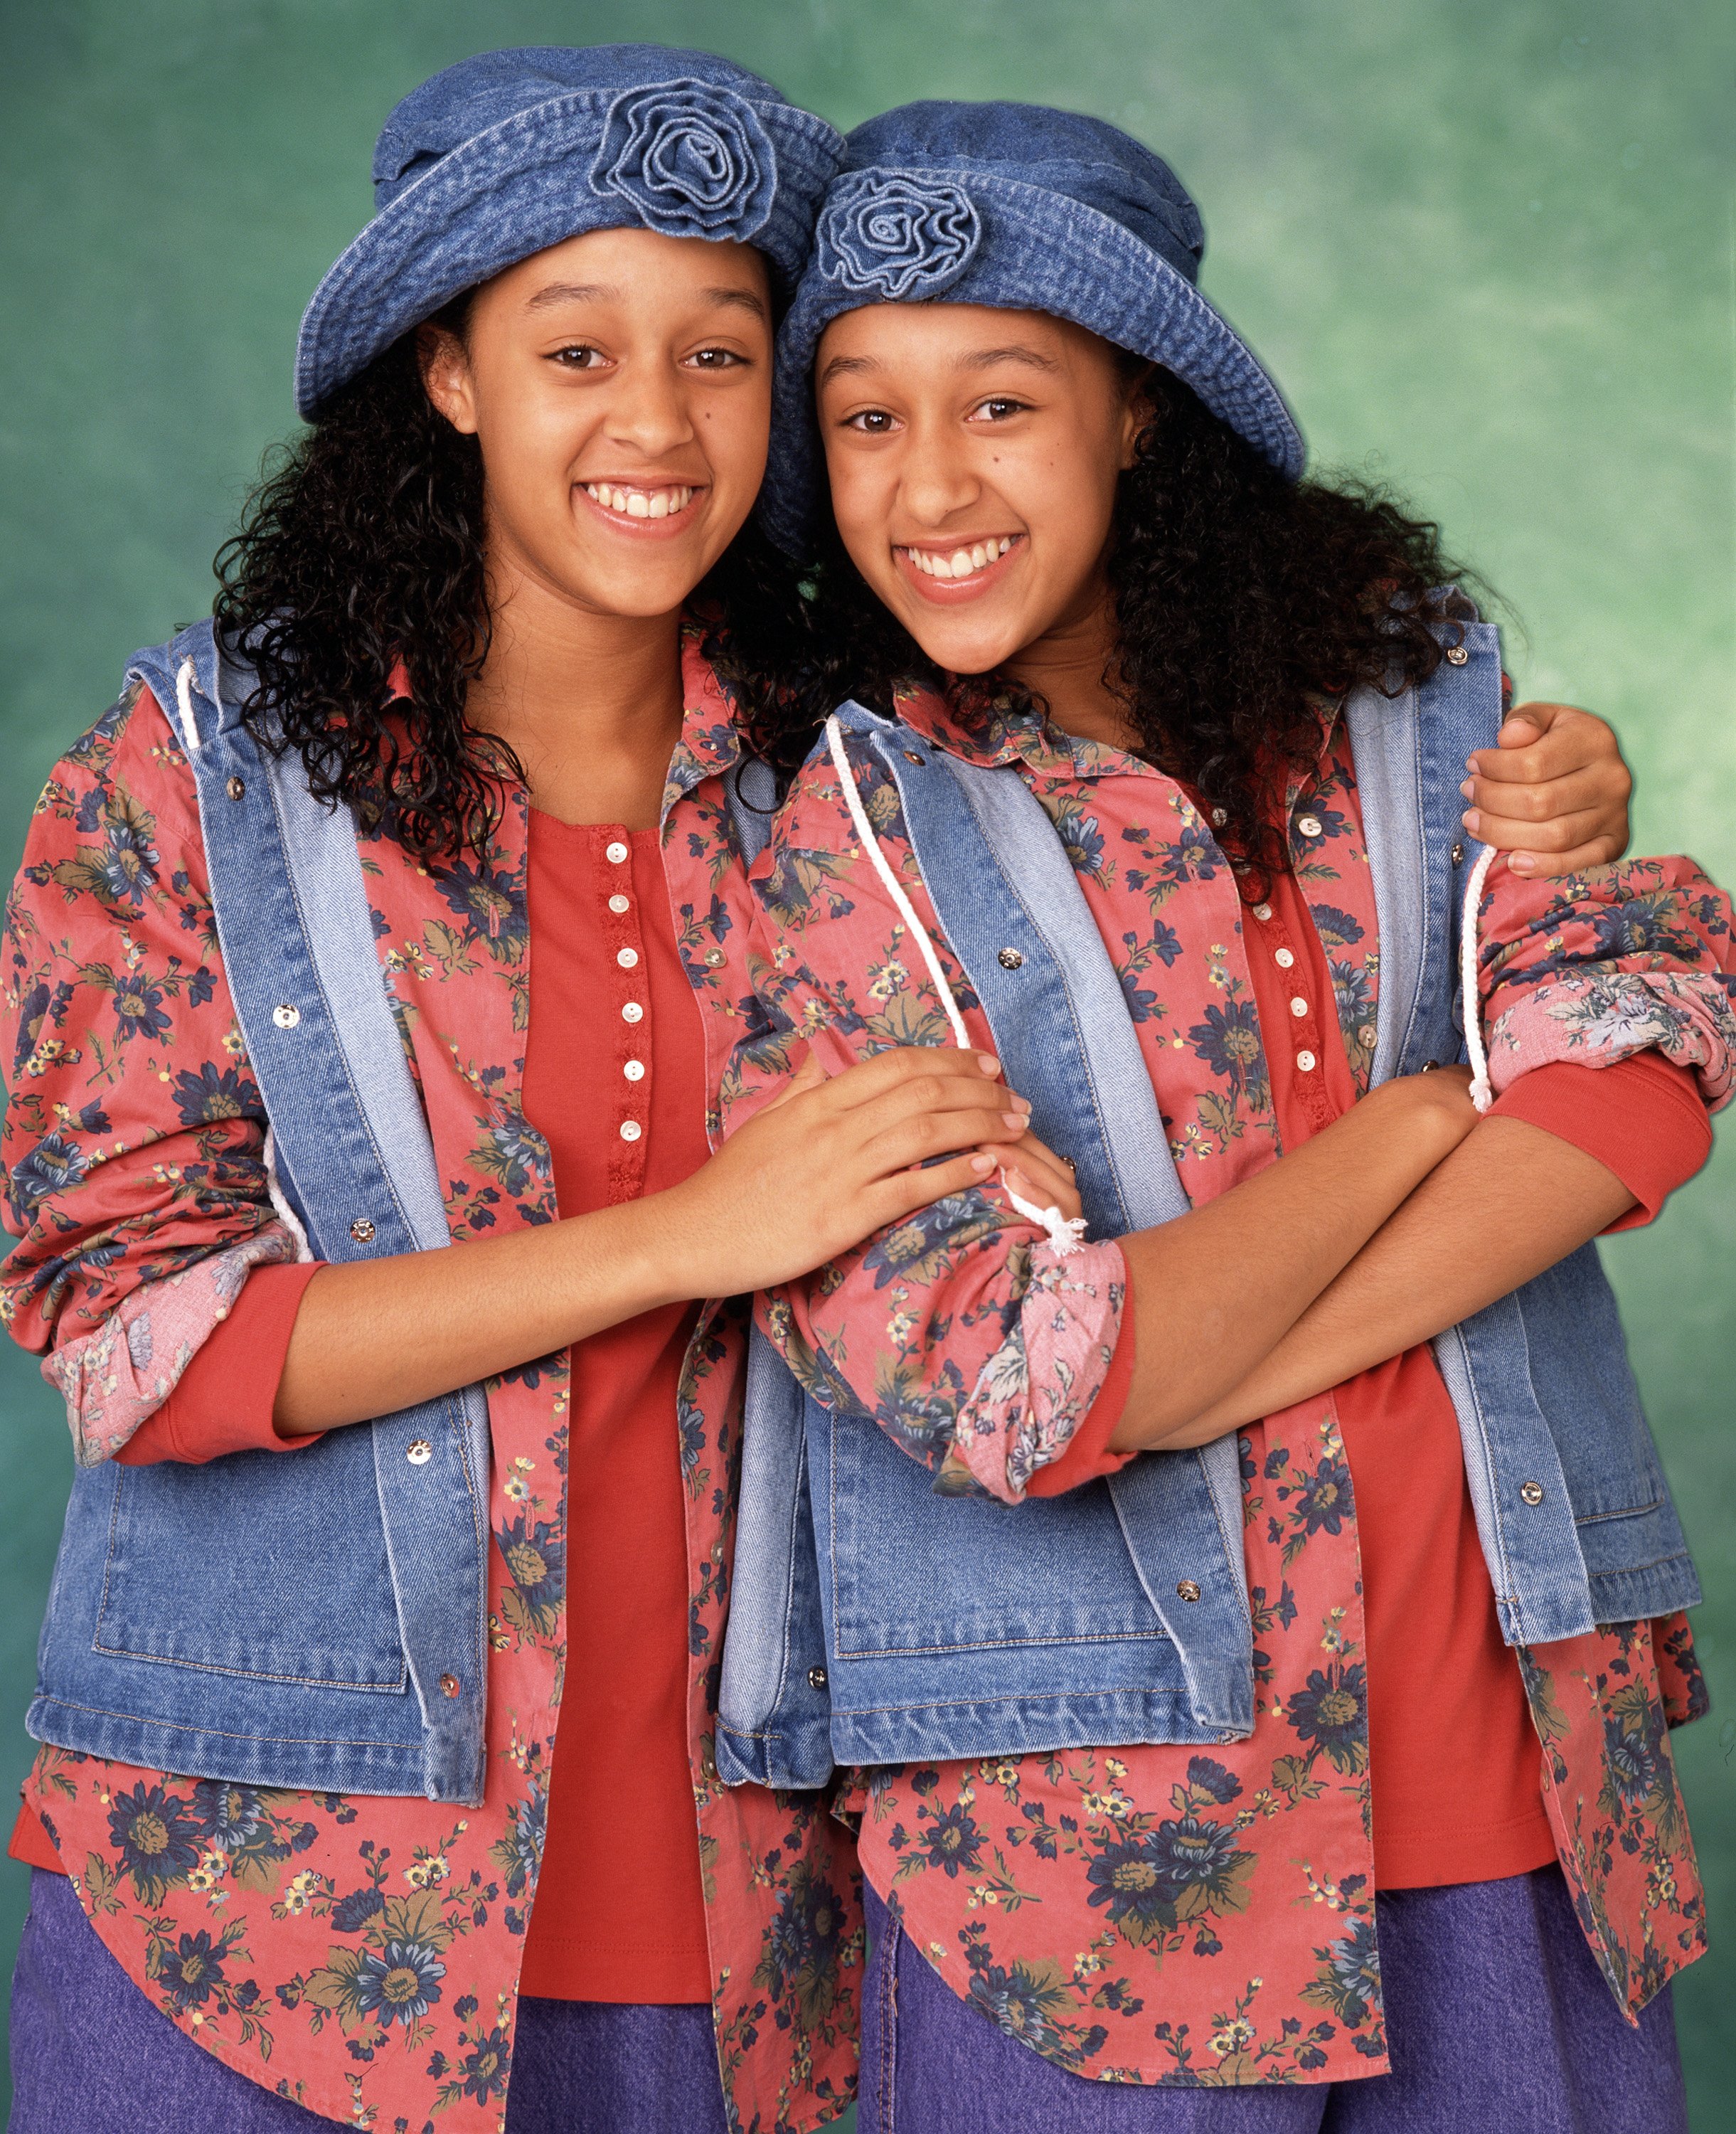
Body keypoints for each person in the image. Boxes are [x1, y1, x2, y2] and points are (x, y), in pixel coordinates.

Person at [0, 51, 1074, 2134]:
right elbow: (133, 1343)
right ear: (450, 372)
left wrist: (1530, 801)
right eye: (575, 348)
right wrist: (692, 1237)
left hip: (756, 1904)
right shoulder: (191, 783)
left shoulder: (880, 785)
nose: (656, 424)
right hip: (267, 1897)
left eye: (721, 353)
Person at [723, 100, 1731, 2130]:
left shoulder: (1416, 697)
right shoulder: (816, 830)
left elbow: (1638, 1069)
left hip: (1515, 1753)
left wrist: (1201, 1344)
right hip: (1085, 1828)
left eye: (1000, 402)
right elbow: (1020, 1384)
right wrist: (1413, 1127)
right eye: (861, 417)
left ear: (1142, 416)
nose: (925, 484)